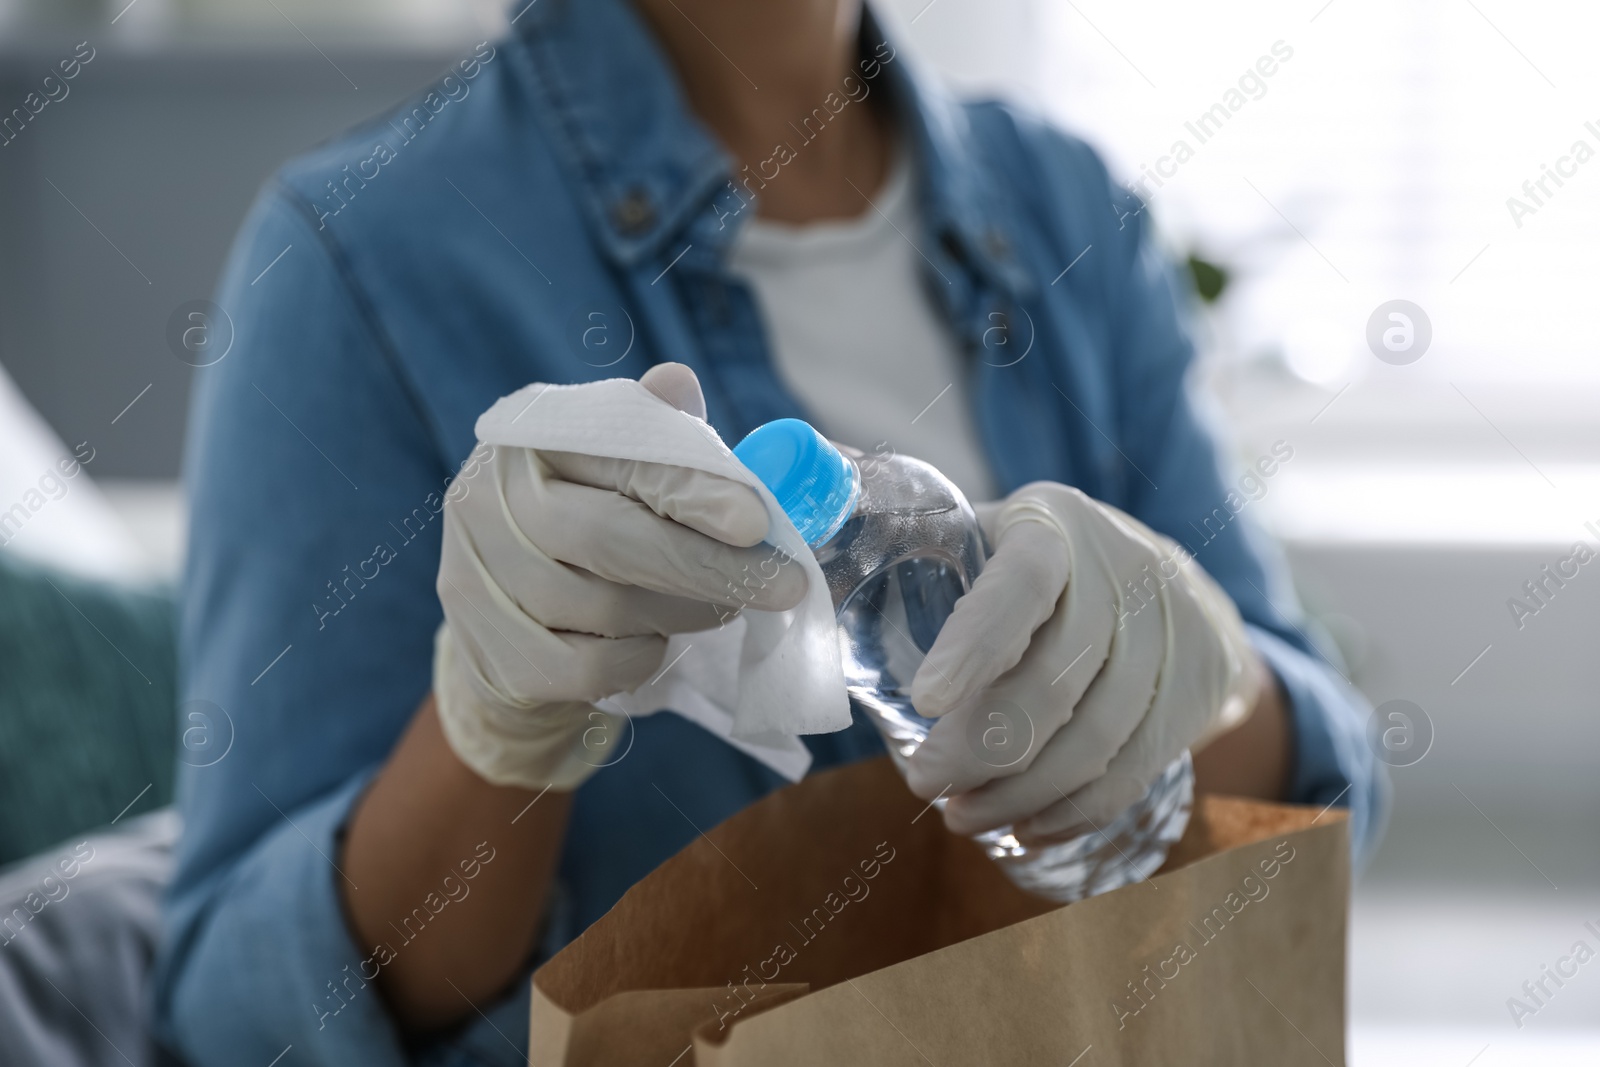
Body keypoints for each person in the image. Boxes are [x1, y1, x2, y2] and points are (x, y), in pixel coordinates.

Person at [153, 1, 1384, 1063]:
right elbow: (233, 1015)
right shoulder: (357, 259)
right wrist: (494, 729)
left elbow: (1321, 806)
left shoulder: (1074, 215)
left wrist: (1207, 665)